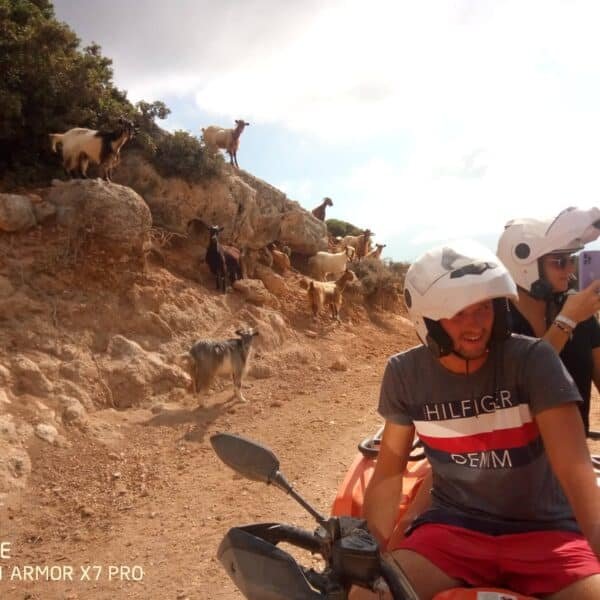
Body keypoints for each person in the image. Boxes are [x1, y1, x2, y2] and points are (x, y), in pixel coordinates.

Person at [357, 240, 600, 600]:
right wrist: (366, 555)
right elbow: (390, 471)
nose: (475, 325)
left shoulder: (533, 360)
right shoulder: (405, 373)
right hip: (452, 529)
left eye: (484, 308)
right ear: (427, 318)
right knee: (366, 595)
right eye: (458, 313)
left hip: (546, 532)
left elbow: (575, 471)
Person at [497, 206, 600, 436]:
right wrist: (566, 321)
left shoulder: (580, 314)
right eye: (560, 262)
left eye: (571, 259)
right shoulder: (495, 322)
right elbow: (520, 387)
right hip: (520, 463)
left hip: (572, 458)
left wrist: (572, 317)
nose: (571, 270)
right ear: (524, 264)